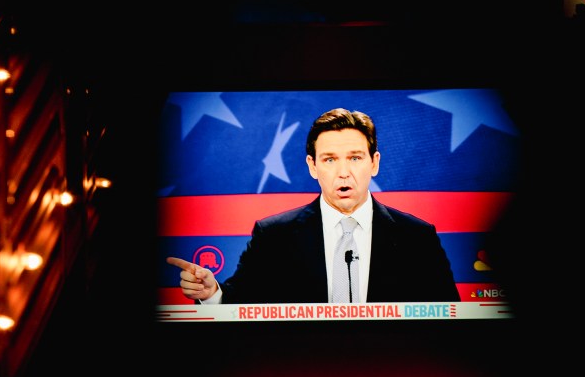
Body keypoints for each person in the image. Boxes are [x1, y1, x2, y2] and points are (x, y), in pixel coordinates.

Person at [166, 108, 459, 304]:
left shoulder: (416, 237)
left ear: (374, 163)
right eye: (330, 159)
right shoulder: (274, 236)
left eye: (355, 158)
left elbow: (450, 316)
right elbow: (239, 303)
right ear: (312, 166)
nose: (343, 172)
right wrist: (211, 293)